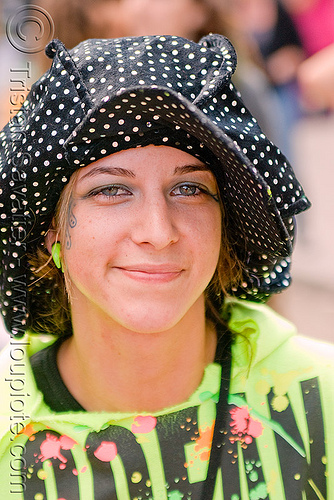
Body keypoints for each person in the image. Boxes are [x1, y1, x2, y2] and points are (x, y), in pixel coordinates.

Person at [0, 34, 332, 499]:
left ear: (226, 220)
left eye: (190, 189)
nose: (158, 230)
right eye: (110, 189)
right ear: (50, 228)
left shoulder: (321, 401)